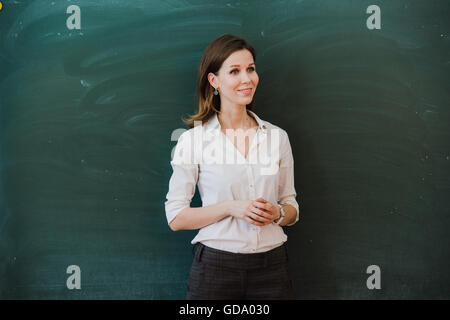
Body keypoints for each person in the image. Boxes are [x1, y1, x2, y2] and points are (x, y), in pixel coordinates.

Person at [164, 34, 299, 300]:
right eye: (234, 71)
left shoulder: (277, 137)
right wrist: (230, 207)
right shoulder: (193, 140)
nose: (247, 79)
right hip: (215, 269)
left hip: (272, 268)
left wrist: (276, 212)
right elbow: (176, 217)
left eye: (250, 69)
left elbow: (291, 208)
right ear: (214, 81)